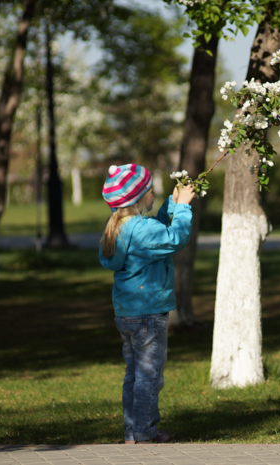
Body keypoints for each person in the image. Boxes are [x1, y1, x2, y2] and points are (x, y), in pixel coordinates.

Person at [99, 163, 195, 444]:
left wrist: (173, 202)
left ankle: (133, 431)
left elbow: (156, 229)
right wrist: (185, 208)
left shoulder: (122, 226)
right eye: (152, 191)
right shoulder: (141, 230)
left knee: (135, 375)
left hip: (128, 314)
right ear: (138, 198)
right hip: (148, 314)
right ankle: (144, 432)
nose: (155, 194)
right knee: (150, 376)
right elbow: (173, 238)